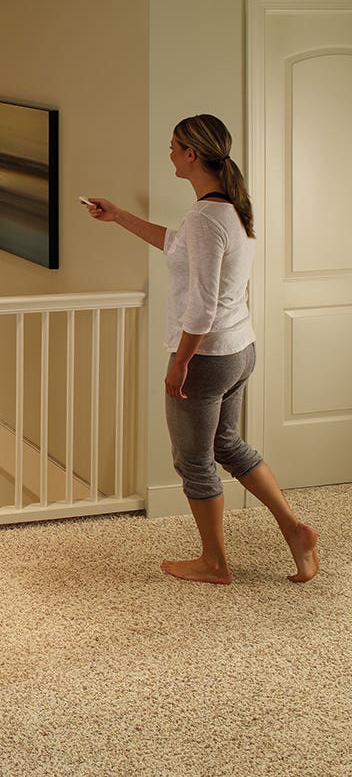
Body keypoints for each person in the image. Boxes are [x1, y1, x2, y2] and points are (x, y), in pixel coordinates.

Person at [84, 113, 318, 585]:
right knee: (226, 445)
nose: (169, 153)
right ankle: (294, 531)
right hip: (239, 349)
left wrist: (181, 364)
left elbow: (202, 305)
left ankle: (214, 562)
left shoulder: (206, 219)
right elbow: (176, 246)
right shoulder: (227, 209)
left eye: (174, 147)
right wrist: (119, 217)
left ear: (192, 154)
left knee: (193, 461)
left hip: (207, 357)